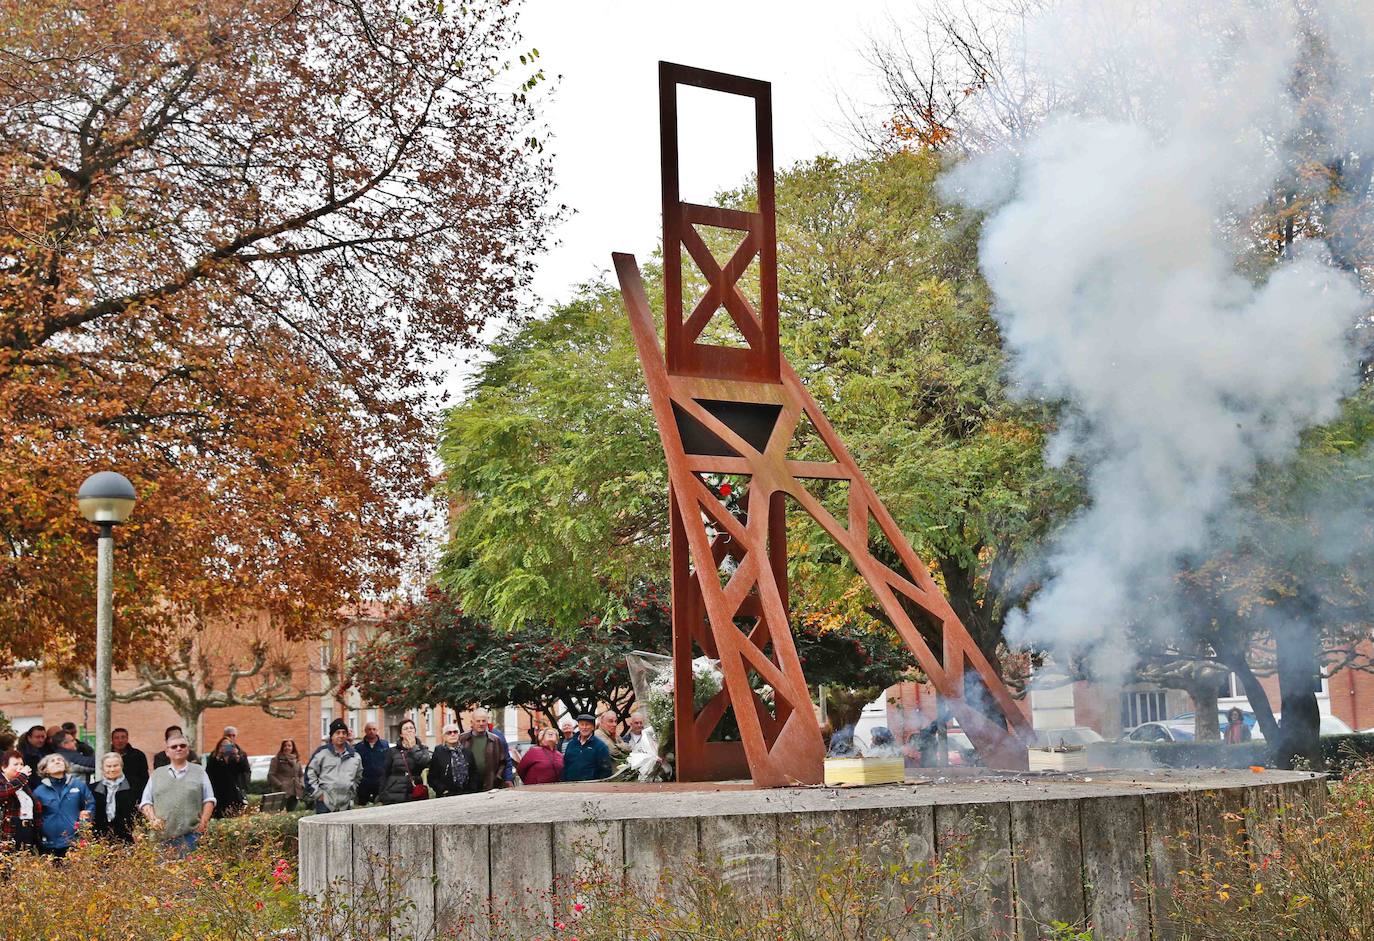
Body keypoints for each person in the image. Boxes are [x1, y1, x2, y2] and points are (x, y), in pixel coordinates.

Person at [140, 732, 215, 855]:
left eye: (182, 746)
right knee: (163, 873)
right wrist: (153, 820)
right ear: (167, 752)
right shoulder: (157, 774)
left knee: (191, 873)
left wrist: (203, 824)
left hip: (192, 836)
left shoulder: (199, 772)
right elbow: (146, 802)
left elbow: (209, 799)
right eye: (174, 747)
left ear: (187, 750)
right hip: (161, 838)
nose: (179, 748)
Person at [32, 753, 94, 857]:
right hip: (48, 843)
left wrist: (84, 829)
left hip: (74, 842)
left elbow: (90, 805)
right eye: (52, 761)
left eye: (60, 760)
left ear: (65, 765)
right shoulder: (39, 791)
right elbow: (35, 817)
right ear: (45, 769)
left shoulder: (78, 785)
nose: (57, 761)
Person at [305, 719, 362, 814]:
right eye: (337, 732)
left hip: (345, 804)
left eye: (344, 733)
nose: (341, 735)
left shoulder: (355, 756)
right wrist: (318, 794)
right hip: (325, 803)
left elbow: (358, 777)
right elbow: (309, 774)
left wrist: (351, 792)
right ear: (332, 736)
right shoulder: (321, 753)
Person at [379, 718, 431, 804]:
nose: (409, 730)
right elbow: (385, 773)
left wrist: (414, 748)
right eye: (406, 729)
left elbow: (426, 763)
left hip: (414, 793)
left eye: (411, 728)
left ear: (415, 731)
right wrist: (382, 794)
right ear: (401, 734)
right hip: (394, 793)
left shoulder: (422, 749)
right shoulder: (392, 751)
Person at [458, 709, 510, 793]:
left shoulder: (495, 740)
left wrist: (498, 777)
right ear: (472, 722)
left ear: (487, 722)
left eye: (483, 721)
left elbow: (503, 762)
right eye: (478, 721)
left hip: (490, 783)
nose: (481, 724)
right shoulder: (462, 739)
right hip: (468, 785)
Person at [90, 752, 137, 843]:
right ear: (102, 768)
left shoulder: (133, 786)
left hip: (127, 838)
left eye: (115, 765)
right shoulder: (92, 788)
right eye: (108, 766)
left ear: (121, 766)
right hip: (99, 838)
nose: (112, 769)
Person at [0, 749, 39, 852]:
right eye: (15, 764)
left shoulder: (23, 784)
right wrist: (22, 777)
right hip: (9, 832)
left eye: (21, 764)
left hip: (28, 830)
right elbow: (3, 792)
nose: (20, 767)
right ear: (3, 767)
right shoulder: (7, 782)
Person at [205, 735, 247, 818]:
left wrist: (238, 757)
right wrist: (218, 756)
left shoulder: (234, 758)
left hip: (233, 792)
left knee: (234, 815)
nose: (225, 748)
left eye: (228, 746)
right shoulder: (214, 758)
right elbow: (209, 772)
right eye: (223, 746)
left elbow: (244, 770)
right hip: (219, 792)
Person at [561, 714, 612, 782]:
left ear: (593, 727)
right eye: (582, 724)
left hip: (591, 786)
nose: (584, 727)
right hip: (571, 785)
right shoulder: (571, 744)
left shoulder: (600, 746)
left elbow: (606, 770)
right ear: (578, 726)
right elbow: (565, 765)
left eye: (587, 724)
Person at [428, 723, 475, 797]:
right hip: (446, 796)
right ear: (444, 736)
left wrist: (472, 790)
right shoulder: (439, 752)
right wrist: (442, 790)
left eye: (455, 732)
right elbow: (432, 777)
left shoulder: (467, 752)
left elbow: (474, 773)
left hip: (466, 794)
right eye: (449, 733)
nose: (452, 734)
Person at [354, 720, 390, 805]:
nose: (371, 731)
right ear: (365, 731)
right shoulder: (359, 747)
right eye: (369, 729)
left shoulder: (384, 745)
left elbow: (388, 762)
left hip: (380, 783)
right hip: (364, 784)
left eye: (374, 729)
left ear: (377, 730)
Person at [110, 728, 149, 800]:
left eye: (123, 737)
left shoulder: (138, 755)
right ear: (112, 740)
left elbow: (144, 778)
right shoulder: (106, 755)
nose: (120, 740)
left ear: (127, 739)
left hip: (133, 796)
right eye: (116, 738)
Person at [268, 739, 305, 811]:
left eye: (289, 746)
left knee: (292, 812)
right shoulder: (276, 760)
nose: (287, 747)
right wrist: (280, 785)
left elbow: (301, 774)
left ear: (293, 747)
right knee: (279, 813)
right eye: (285, 746)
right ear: (282, 747)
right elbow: (271, 775)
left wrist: (301, 784)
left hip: (295, 791)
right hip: (282, 791)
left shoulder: (296, 760)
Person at [222, 726, 252, 792]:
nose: (231, 737)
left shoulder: (241, 753)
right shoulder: (218, 753)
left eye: (233, 735)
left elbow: (246, 770)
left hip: (238, 787)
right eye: (228, 735)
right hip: (223, 786)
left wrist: (238, 759)